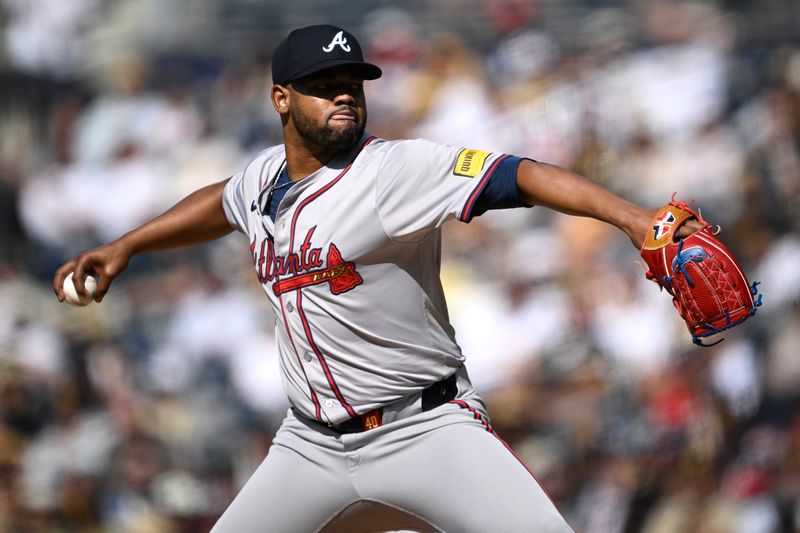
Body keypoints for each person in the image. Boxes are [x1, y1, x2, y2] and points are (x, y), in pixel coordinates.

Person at [54, 25, 687, 533]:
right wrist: (127, 245)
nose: (343, 95)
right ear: (281, 98)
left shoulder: (394, 170)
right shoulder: (263, 178)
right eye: (323, 85)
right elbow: (221, 201)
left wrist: (633, 220)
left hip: (425, 428)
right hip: (308, 445)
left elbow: (517, 174)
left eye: (352, 82)